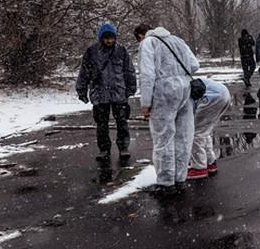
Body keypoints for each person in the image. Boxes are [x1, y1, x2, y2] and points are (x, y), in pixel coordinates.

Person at [134, 24, 199, 196]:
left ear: (142, 35)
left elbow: (147, 75)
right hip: (186, 90)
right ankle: (180, 179)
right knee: (183, 137)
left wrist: (145, 104)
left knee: (163, 137)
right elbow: (194, 65)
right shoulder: (178, 40)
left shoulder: (148, 43)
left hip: (164, 92)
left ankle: (166, 182)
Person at [76, 22, 137, 162]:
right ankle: (104, 149)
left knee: (122, 122)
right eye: (106, 38)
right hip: (99, 93)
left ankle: (123, 147)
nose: (109, 41)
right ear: (100, 38)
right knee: (101, 124)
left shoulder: (121, 51)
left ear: (115, 37)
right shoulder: (91, 52)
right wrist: (81, 90)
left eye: (111, 38)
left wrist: (131, 88)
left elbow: (129, 71)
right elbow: (84, 72)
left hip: (118, 93)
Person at [187, 78, 231, 180]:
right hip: (222, 92)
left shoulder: (173, 87)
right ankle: (210, 162)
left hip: (212, 96)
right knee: (204, 131)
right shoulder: (181, 80)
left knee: (196, 132)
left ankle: (199, 168)